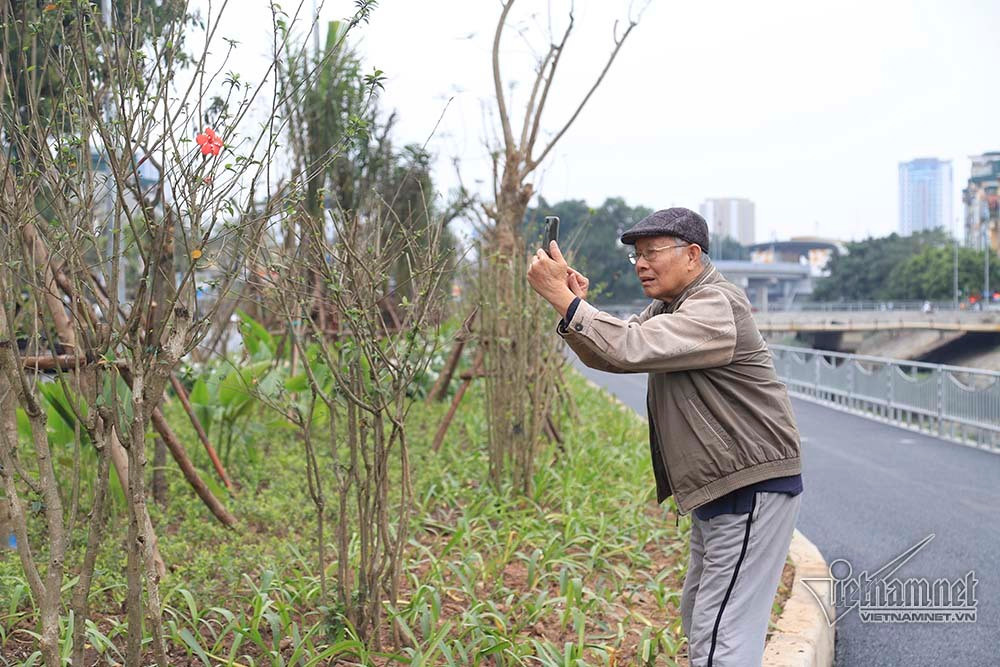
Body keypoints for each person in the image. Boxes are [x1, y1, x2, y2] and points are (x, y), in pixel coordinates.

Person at [526, 207, 803, 666]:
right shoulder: (671, 308)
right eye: (636, 255)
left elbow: (630, 347)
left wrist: (567, 302)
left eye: (652, 253)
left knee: (723, 632)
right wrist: (573, 303)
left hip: (749, 486)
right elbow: (613, 352)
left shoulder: (717, 304)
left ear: (692, 255)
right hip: (723, 486)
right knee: (702, 618)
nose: (640, 264)